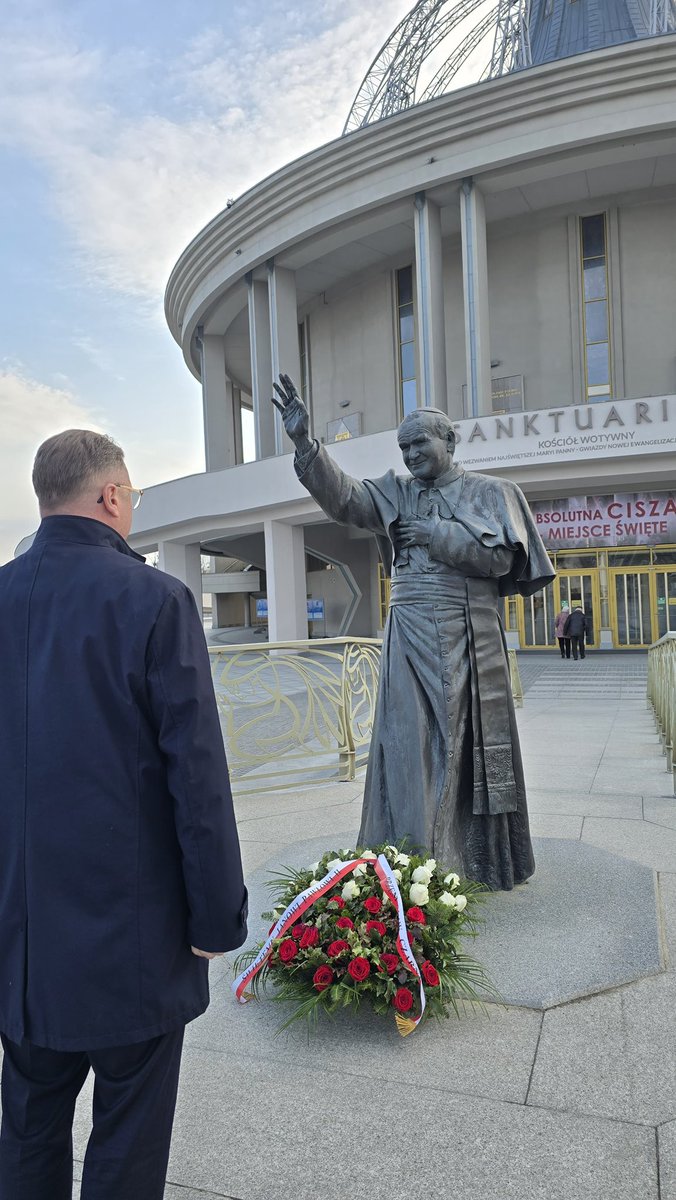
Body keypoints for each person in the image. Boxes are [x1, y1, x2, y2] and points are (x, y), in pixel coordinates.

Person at [0, 430, 248, 1200]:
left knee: (27, 1131)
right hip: (129, 940)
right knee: (128, 1141)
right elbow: (196, 777)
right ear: (111, 496)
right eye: (131, 494)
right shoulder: (154, 600)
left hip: (23, 944)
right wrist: (217, 920)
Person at [272, 375, 555, 891]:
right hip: (407, 632)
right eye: (403, 446)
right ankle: (408, 858)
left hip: (465, 635)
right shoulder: (395, 491)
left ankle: (461, 862)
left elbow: (499, 560)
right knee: (407, 744)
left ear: (449, 441)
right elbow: (346, 501)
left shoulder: (493, 493)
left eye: (419, 442)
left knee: (458, 743)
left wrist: (433, 534)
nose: (410, 454)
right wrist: (305, 445)